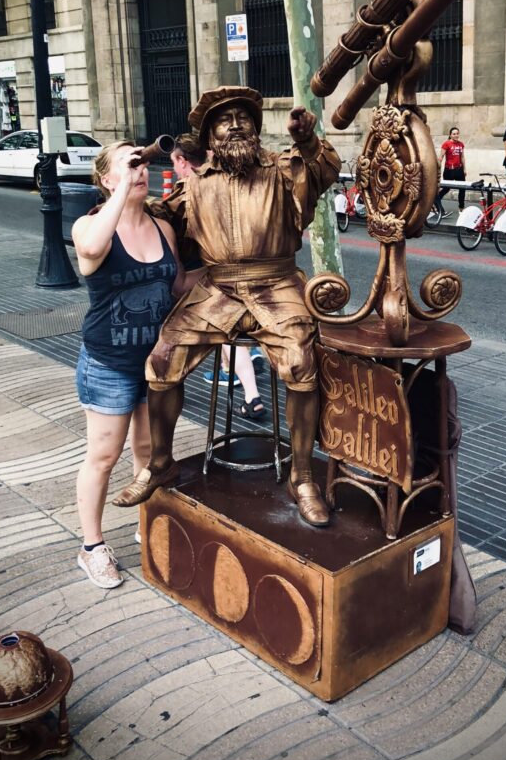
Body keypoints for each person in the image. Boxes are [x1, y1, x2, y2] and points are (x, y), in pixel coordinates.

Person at [111, 86, 341, 527]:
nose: (234, 123)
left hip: (276, 283)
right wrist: (125, 187)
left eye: (242, 117)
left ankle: (303, 475)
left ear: (256, 127)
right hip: (217, 289)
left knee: (300, 363)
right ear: (210, 135)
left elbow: (325, 171)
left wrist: (309, 140)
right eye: (223, 119)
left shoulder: (283, 168)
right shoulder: (195, 185)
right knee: (161, 361)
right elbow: (155, 218)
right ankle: (161, 462)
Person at [71, 140, 187, 589]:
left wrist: (233, 274)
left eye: (143, 165)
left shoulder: (162, 229)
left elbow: (176, 285)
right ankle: (92, 547)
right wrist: (120, 192)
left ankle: (147, 526)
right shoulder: (88, 225)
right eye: (128, 165)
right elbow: (92, 252)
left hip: (154, 365)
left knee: (148, 453)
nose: (141, 171)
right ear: (106, 179)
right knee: (103, 455)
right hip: (108, 363)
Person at [170, 134, 266, 422]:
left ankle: (250, 391)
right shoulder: (228, 185)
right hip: (247, 278)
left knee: (222, 330)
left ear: (182, 161)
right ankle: (235, 371)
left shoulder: (190, 191)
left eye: (174, 162)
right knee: (228, 335)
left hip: (213, 280)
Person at [436, 126, 467, 214]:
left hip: (459, 170)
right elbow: (441, 157)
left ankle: (461, 207)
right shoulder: (446, 144)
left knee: (462, 189)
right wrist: (438, 170)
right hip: (449, 170)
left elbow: (462, 157)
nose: (456, 135)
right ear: (450, 135)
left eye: (457, 133)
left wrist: (464, 169)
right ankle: (436, 201)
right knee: (446, 188)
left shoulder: (461, 144)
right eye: (454, 134)